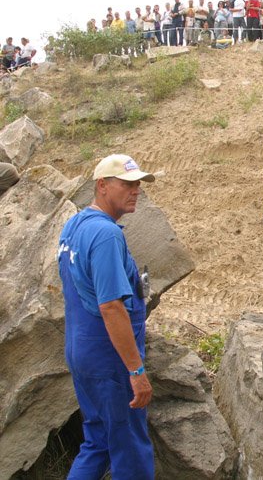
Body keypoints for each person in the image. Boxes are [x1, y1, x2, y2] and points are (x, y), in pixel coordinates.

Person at [58, 154, 155, 479]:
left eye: (138, 184)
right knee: (131, 451)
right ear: (102, 186)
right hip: (109, 358)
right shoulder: (106, 235)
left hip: (80, 351)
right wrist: (136, 370)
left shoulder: (74, 226)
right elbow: (111, 306)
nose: (136, 190)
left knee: (98, 442)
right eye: (127, 184)